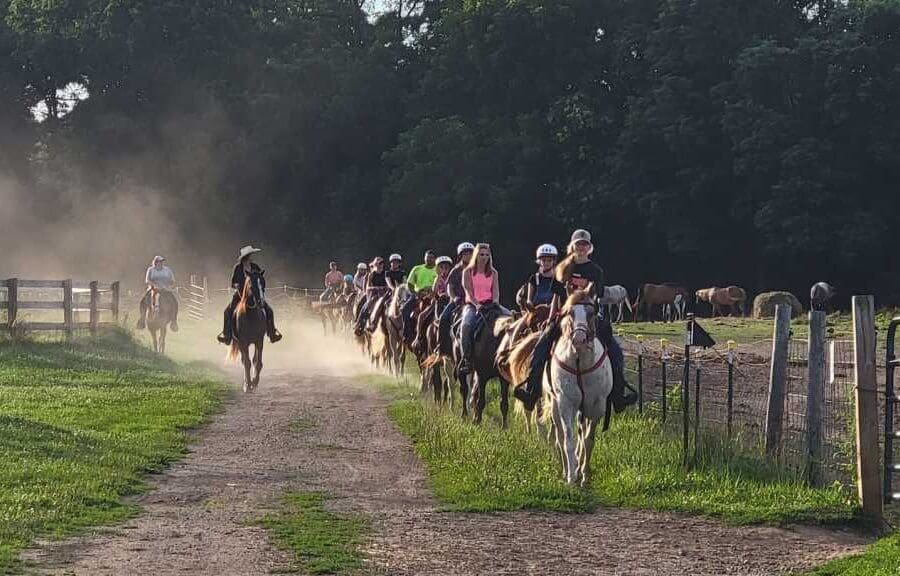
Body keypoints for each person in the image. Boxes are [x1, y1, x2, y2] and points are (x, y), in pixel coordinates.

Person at [513, 229, 637, 412]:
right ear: (572, 246)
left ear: (589, 248)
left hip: (589, 316)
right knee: (540, 347)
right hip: (566, 316)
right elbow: (556, 297)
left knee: (615, 351)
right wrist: (551, 318)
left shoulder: (596, 271)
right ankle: (532, 391)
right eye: (578, 244)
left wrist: (592, 311)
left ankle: (618, 395)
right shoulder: (563, 268)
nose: (581, 247)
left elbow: (598, 297)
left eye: (585, 244)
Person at [459, 243, 511, 373]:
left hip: (491, 304)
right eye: (481, 254)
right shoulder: (467, 272)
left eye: (487, 255)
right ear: (476, 255)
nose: (484, 257)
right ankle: (466, 359)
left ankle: (511, 355)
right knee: (466, 325)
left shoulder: (493, 273)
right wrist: (477, 304)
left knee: (511, 318)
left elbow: (496, 291)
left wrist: (495, 302)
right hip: (473, 305)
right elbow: (468, 292)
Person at [217, 245, 282, 345]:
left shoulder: (255, 267)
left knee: (269, 310)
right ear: (245, 257)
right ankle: (227, 335)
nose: (251, 257)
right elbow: (233, 282)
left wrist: (261, 287)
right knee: (227, 311)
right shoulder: (238, 268)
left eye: (250, 255)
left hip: (255, 295)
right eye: (249, 255)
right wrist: (236, 285)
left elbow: (261, 278)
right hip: (240, 295)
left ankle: (272, 333)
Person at [437, 242, 475, 355]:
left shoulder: (477, 269)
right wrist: (454, 298)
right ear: (460, 255)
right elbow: (449, 287)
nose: (468, 256)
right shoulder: (455, 270)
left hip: (475, 300)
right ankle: (441, 347)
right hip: (458, 300)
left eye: (470, 253)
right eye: (465, 254)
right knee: (443, 318)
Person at [137, 255, 178, 331]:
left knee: (175, 302)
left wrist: (168, 286)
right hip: (153, 289)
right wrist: (154, 285)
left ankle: (174, 321)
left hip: (165, 289)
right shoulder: (151, 269)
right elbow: (147, 280)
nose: (161, 263)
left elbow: (173, 280)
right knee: (142, 302)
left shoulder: (167, 270)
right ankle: (142, 319)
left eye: (162, 261)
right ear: (156, 262)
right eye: (160, 261)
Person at [354, 257, 389, 334]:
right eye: (378, 263)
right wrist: (376, 288)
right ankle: (360, 324)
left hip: (385, 294)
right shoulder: (371, 275)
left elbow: (388, 283)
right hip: (374, 294)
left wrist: (386, 287)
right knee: (365, 306)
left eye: (382, 263)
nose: (380, 265)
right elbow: (368, 287)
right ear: (375, 264)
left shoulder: (386, 273)